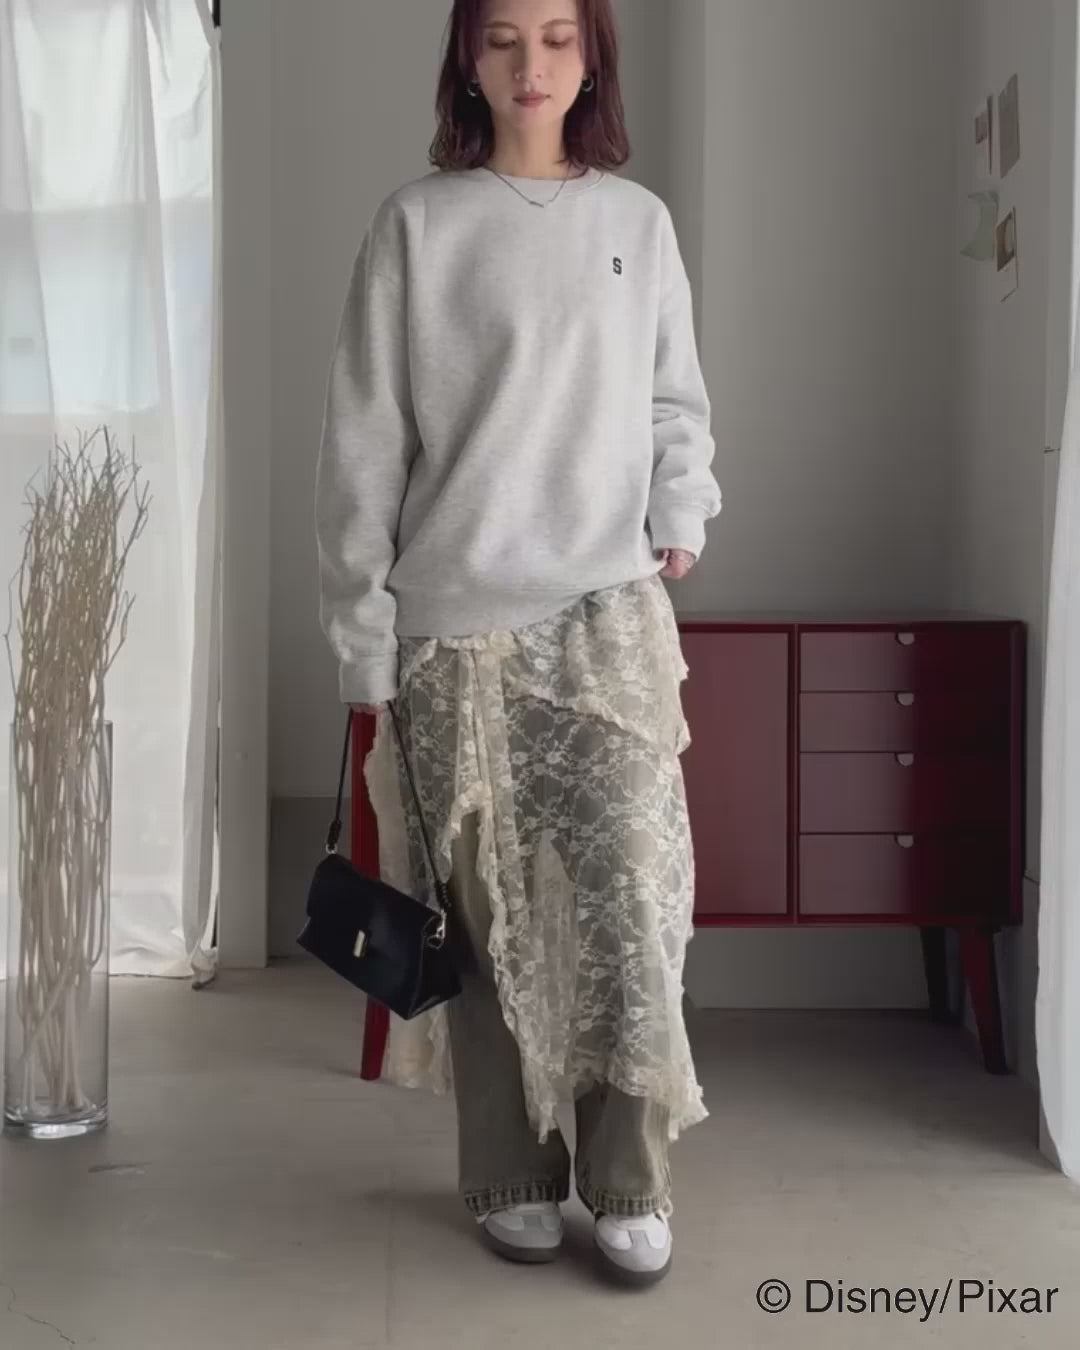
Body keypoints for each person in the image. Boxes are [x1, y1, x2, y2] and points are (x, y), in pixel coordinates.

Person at [313, 0, 721, 1288]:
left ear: (591, 57)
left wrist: (682, 507)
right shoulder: (415, 228)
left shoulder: (638, 223)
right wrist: (364, 641)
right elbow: (364, 449)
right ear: (467, 59)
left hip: (607, 615)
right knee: (486, 927)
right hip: (456, 632)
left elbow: (674, 398)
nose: (530, 64)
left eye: (556, 37)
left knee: (632, 899)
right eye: (503, 39)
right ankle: (509, 1176)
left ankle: (631, 1181)